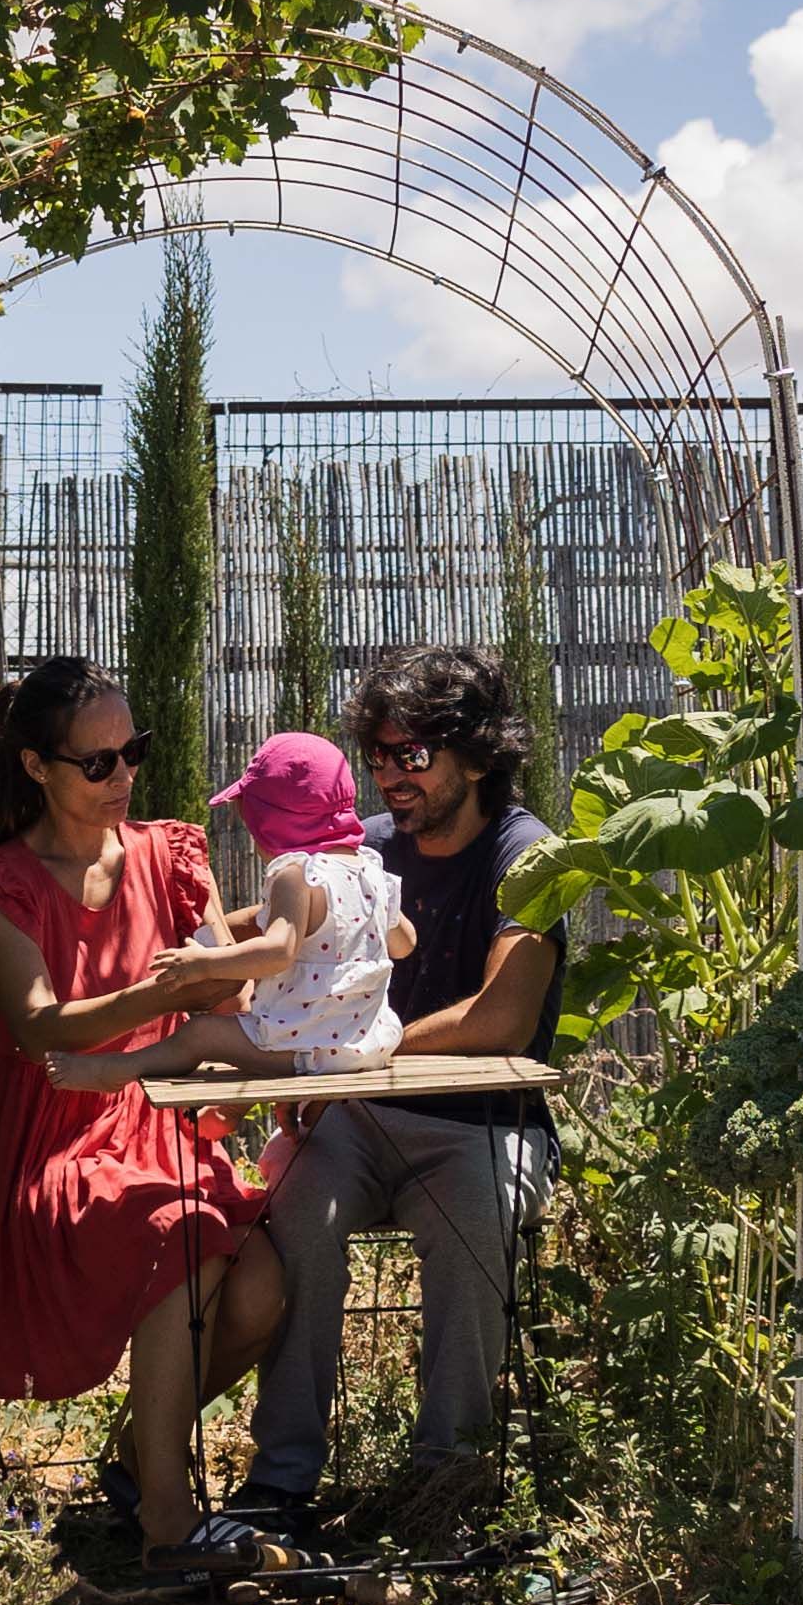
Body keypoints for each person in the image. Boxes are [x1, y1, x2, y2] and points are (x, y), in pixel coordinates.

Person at [0, 657, 283, 1556]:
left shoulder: (167, 853)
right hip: (48, 1138)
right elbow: (44, 1028)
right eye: (99, 762)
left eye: (134, 752)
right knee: (182, 1234)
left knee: (267, 1285)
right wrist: (172, 978)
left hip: (156, 1120)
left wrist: (238, 967)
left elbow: (220, 1000)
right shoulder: (0, 881)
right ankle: (167, 1516)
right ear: (37, 767)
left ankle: (138, 1450)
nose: (123, 776)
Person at [237, 645, 563, 1540]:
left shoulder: (529, 857)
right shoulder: (364, 851)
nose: (388, 773)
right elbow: (269, 943)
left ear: (478, 753)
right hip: (360, 1118)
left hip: (482, 1122)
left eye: (411, 754)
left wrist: (349, 1053)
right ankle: (281, 1479)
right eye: (376, 755)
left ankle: (445, 1481)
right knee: (295, 1209)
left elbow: (501, 1016)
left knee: (475, 1216)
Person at [43, 731, 416, 1094]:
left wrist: (204, 963)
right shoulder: (368, 867)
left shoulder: (295, 873)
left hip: (307, 1048)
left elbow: (277, 951)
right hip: (370, 1043)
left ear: (273, 824)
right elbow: (404, 943)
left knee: (200, 1034)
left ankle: (118, 1069)